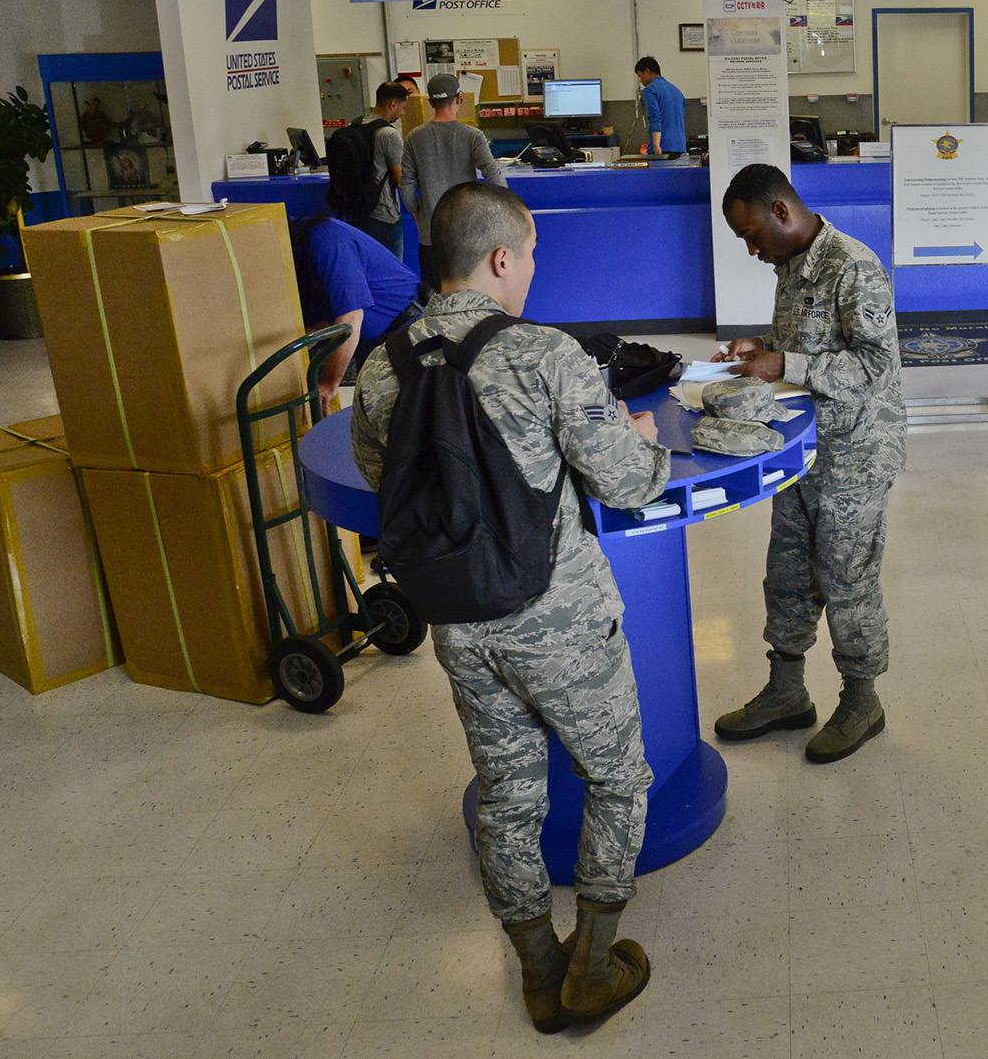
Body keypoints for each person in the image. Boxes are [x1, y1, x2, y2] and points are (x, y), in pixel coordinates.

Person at [351, 183, 669, 1032]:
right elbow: (625, 482)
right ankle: (591, 968)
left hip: (459, 625)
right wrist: (643, 442)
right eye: (528, 255)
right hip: (560, 620)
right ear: (500, 257)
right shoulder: (544, 354)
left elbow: (385, 477)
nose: (530, 270)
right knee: (618, 779)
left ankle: (539, 969)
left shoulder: (382, 365)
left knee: (506, 796)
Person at [711, 164, 904, 763]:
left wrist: (785, 364)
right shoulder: (791, 264)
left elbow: (875, 366)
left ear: (780, 211)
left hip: (856, 456)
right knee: (788, 575)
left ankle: (862, 701)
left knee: (847, 580)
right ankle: (787, 691)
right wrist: (764, 349)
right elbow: (810, 348)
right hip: (802, 448)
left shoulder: (853, 266)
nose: (751, 250)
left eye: (751, 235)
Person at [293, 180, 421, 405]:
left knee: (404, 412)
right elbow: (323, 321)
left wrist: (328, 384)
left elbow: (351, 317)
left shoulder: (325, 240)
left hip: (405, 329)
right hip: (372, 338)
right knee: (373, 410)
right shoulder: (305, 260)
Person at [400, 71, 505, 288]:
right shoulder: (472, 136)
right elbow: (493, 174)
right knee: (469, 294)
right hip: (467, 233)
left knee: (433, 295)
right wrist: (501, 209)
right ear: (459, 98)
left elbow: (406, 185)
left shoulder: (414, 137)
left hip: (431, 234)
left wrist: (418, 216)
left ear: (430, 102)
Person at [351, 81, 409, 258]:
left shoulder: (357, 125)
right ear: (393, 104)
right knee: (392, 268)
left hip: (360, 210)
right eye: (403, 108)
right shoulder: (389, 134)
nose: (402, 113)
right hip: (386, 215)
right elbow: (400, 179)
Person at [634, 56, 686, 159]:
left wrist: (656, 145)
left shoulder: (649, 90)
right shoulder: (677, 91)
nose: (641, 80)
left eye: (640, 76)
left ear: (647, 71)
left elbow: (655, 117)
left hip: (662, 147)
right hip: (680, 146)